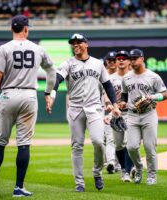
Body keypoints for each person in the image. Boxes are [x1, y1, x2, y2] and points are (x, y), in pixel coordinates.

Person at [0, 14, 56, 197]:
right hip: (29, 95)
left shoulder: (4, 48)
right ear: (26, 29)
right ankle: (18, 188)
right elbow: (51, 71)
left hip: (8, 94)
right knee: (24, 144)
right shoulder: (38, 49)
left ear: (11, 29)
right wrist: (48, 93)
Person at [53, 33, 121, 192]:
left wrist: (115, 105)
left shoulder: (98, 64)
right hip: (75, 109)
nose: (75, 45)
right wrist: (52, 93)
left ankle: (97, 172)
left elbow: (108, 85)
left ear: (86, 44)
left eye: (78, 42)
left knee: (98, 142)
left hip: (94, 108)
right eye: (73, 43)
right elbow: (57, 77)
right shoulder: (68, 63)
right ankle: (79, 183)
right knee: (77, 146)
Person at [120, 49, 167, 185]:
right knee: (131, 147)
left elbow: (165, 94)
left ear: (142, 59)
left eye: (135, 58)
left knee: (149, 147)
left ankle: (152, 175)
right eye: (131, 59)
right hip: (132, 115)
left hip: (149, 114)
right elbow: (124, 94)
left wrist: (153, 97)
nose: (133, 61)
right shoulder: (127, 77)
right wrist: (123, 102)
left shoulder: (153, 76)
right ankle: (139, 167)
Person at [107, 50, 134, 182]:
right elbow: (106, 96)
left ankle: (129, 170)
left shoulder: (133, 76)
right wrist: (109, 105)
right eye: (119, 58)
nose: (121, 60)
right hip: (116, 114)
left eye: (124, 58)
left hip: (131, 113)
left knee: (129, 143)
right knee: (118, 145)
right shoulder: (111, 79)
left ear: (129, 61)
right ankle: (124, 169)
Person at [103, 51, 118, 174]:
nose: (112, 62)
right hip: (103, 111)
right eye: (110, 60)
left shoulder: (124, 76)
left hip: (119, 111)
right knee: (106, 138)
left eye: (114, 60)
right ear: (106, 61)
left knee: (119, 139)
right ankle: (110, 162)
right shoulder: (102, 75)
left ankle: (114, 162)